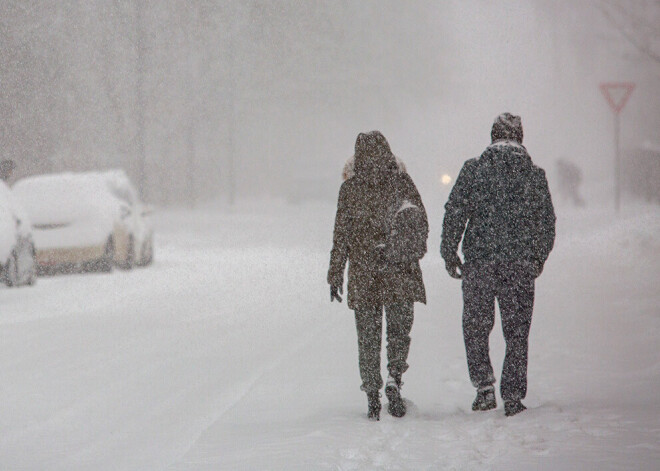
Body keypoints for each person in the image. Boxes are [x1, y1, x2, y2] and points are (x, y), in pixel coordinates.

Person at [440, 113, 556, 417]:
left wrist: (449, 251)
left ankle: (484, 387)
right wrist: (536, 257)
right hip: (518, 265)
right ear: (520, 137)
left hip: (479, 263)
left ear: (493, 137)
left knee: (476, 327)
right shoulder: (533, 174)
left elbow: (455, 211)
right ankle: (514, 396)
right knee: (517, 331)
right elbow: (546, 222)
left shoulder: (474, 170)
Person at [328, 131, 428, 421]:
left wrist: (335, 272)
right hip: (399, 270)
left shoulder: (350, 189)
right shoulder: (402, 182)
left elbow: (341, 235)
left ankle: (372, 393)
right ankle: (395, 377)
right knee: (398, 333)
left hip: (364, 272)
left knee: (368, 337)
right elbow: (421, 222)